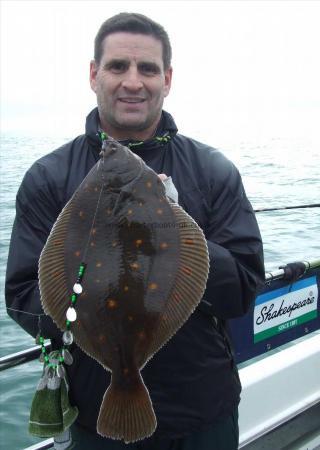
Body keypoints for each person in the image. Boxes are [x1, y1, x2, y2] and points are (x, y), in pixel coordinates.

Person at [5, 12, 265, 450]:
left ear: (167, 78)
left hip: (203, 410)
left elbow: (241, 290)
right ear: (93, 75)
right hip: (95, 412)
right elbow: (24, 297)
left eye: (147, 69)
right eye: (117, 66)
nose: (132, 81)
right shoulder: (49, 178)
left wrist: (179, 230)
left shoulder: (212, 172)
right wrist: (81, 310)